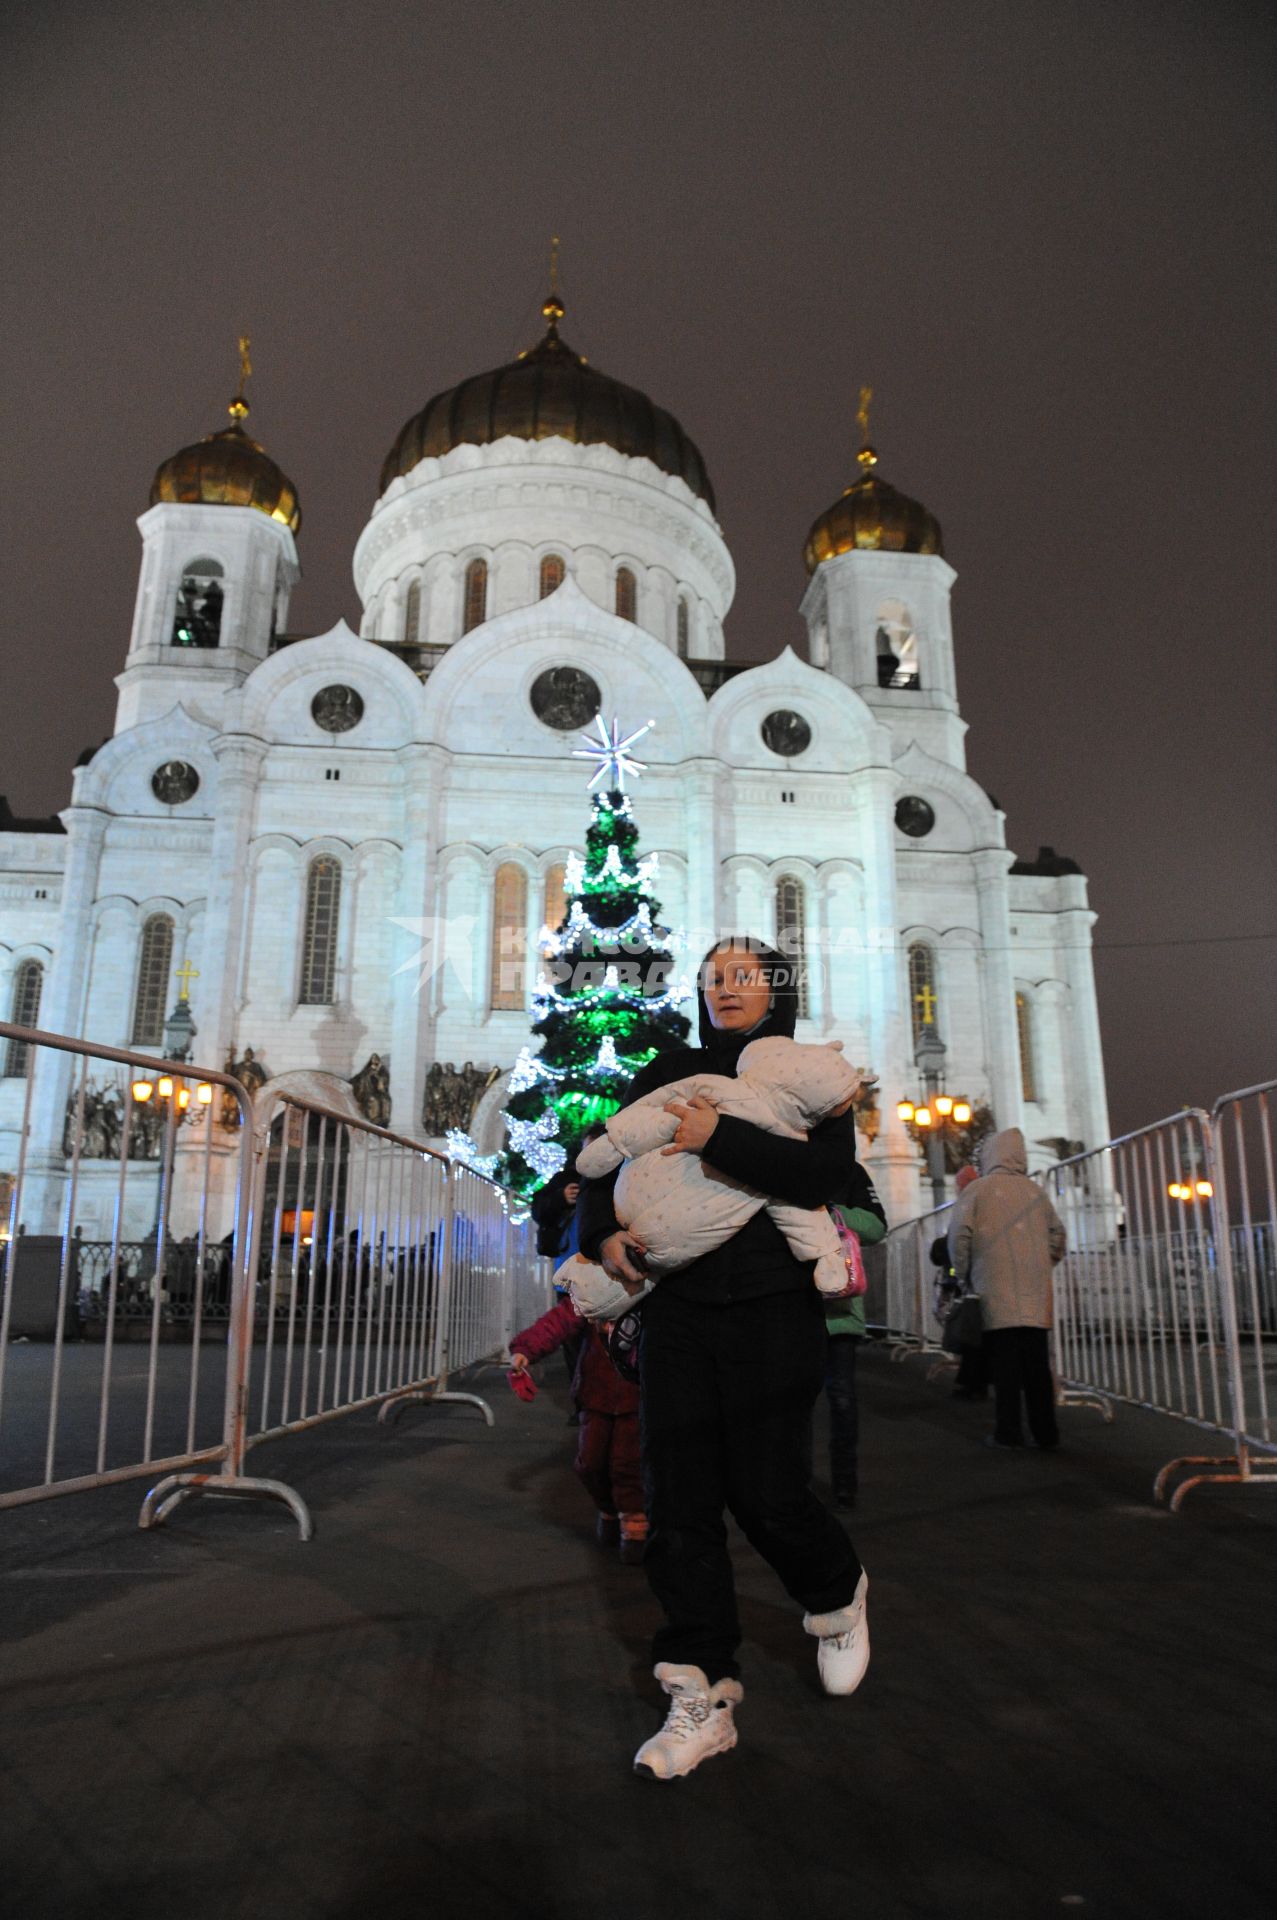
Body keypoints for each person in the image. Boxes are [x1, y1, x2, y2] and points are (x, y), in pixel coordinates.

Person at [578, 938, 887, 1780]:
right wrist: (597, 1235)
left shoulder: (805, 1073)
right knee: (678, 1504)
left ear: (777, 989)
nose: (725, 988)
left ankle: (833, 1595)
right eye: (713, 976)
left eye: (745, 976)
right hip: (677, 1308)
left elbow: (827, 1174)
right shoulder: (666, 1067)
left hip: (771, 1307)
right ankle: (701, 1693)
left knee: (766, 1491)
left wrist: (720, 1139)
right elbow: (601, 1165)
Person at [948, 1127, 1067, 1450]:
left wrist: (964, 1273)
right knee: (1038, 1367)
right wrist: (1043, 1263)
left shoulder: (978, 1190)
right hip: (1033, 1292)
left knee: (1005, 1366)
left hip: (993, 1288)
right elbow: (1058, 1234)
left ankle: (1008, 1431)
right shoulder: (1035, 1192)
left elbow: (959, 1235)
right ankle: (1046, 1433)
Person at [507, 1295, 646, 1563]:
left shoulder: (652, 1286)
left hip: (637, 1396)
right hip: (596, 1392)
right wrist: (526, 1349)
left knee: (628, 1463)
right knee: (590, 1462)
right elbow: (559, 1321)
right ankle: (609, 1510)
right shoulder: (593, 1285)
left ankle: (635, 1525)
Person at [822, 1194, 888, 1510]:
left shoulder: (849, 1176)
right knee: (798, 1403)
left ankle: (845, 1484)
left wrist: (836, 1212)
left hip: (838, 1315)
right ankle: (795, 1484)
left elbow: (876, 1228)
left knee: (842, 1399)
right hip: (809, 1314)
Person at [930, 1164, 986, 1399]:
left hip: (974, 1279)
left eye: (960, 1185)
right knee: (973, 1332)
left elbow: (960, 1240)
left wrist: (958, 1272)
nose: (958, 1189)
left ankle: (974, 1383)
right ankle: (971, 1379)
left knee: (972, 1332)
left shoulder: (971, 1205)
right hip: (975, 1276)